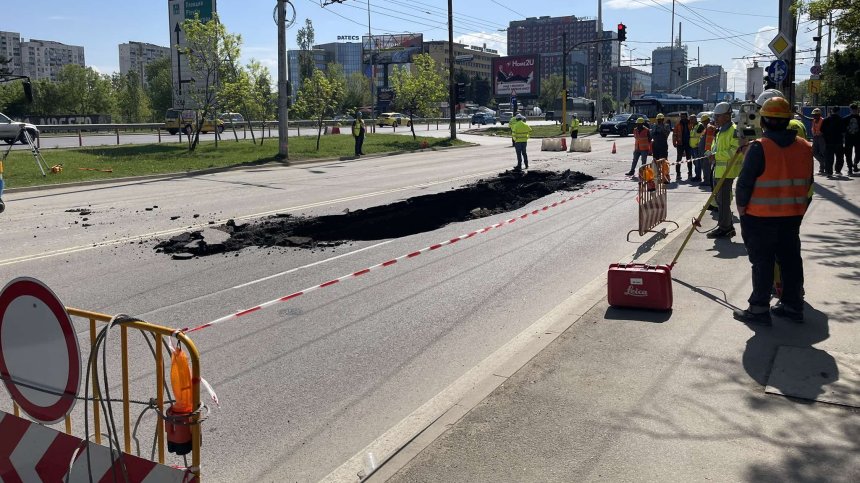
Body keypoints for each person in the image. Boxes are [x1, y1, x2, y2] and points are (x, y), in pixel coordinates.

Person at [733, 97, 814, 325]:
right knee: (790, 261)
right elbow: (809, 183)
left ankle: (759, 309)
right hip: (792, 216)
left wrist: (742, 210)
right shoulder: (805, 147)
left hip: (760, 217)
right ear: (788, 120)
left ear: (763, 121)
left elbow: (744, 184)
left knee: (762, 263)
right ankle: (793, 306)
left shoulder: (759, 147)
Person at [707, 102, 742, 239]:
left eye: (718, 116)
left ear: (727, 116)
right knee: (720, 201)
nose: (715, 118)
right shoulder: (721, 130)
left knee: (723, 201)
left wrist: (716, 156)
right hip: (719, 170)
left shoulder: (733, 130)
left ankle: (724, 228)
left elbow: (734, 151)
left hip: (727, 171)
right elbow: (716, 148)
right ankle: (727, 226)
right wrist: (711, 154)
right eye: (715, 116)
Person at [820, 106, 846, 177]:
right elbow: (843, 132)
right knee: (839, 157)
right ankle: (838, 170)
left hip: (828, 142)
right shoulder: (841, 120)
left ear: (832, 111)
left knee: (829, 158)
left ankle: (829, 172)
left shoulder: (826, 120)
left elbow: (821, 131)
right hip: (838, 141)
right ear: (838, 111)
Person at [672, 111, 693, 181]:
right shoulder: (678, 124)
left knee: (689, 159)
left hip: (688, 144)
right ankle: (678, 174)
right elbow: (674, 134)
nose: (683, 118)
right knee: (679, 159)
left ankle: (690, 173)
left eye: (684, 116)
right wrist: (674, 142)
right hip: (680, 144)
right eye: (681, 117)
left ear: (686, 117)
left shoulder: (690, 123)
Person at [698, 114, 716, 187]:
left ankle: (707, 181)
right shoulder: (706, 128)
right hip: (704, 151)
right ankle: (706, 179)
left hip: (707, 151)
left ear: (708, 120)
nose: (703, 123)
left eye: (704, 122)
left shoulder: (710, 127)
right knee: (704, 166)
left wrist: (707, 152)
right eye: (702, 122)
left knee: (706, 166)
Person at [844, 103, 860, 175]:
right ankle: (853, 166)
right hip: (855, 139)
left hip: (850, 139)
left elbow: (842, 129)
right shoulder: (847, 118)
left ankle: (851, 167)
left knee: (849, 154)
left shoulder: (846, 118)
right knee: (856, 153)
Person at [809, 107, 825, 174]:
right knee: (814, 152)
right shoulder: (814, 120)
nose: (814, 116)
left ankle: (822, 168)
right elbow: (806, 118)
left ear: (819, 115)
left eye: (815, 115)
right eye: (813, 115)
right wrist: (797, 113)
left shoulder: (823, 121)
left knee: (822, 153)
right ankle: (823, 162)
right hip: (815, 138)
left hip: (822, 138)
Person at [689, 114, 703, 182]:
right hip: (692, 147)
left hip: (696, 147)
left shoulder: (700, 126)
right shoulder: (693, 126)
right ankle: (697, 175)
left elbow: (702, 135)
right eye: (690, 119)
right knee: (695, 162)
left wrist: (699, 143)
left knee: (698, 163)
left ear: (695, 119)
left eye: (692, 119)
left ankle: (698, 177)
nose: (690, 120)